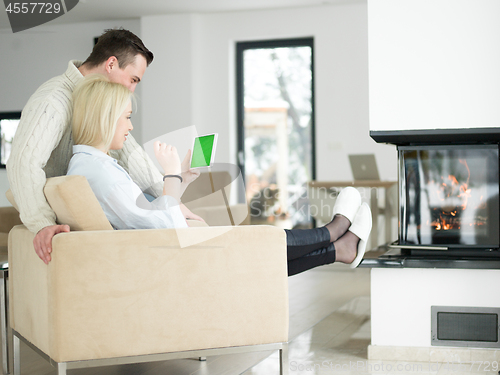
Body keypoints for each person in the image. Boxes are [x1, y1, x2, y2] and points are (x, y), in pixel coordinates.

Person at [67, 75, 373, 276]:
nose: (130, 126)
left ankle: (338, 248)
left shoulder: (94, 166)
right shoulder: (99, 173)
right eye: (127, 117)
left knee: (260, 249)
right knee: (262, 242)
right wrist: (171, 174)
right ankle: (334, 233)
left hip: (175, 246)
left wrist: (182, 178)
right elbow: (162, 224)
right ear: (105, 118)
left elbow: (152, 215)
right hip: (175, 254)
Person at [7, 28, 202, 265]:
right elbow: (23, 163)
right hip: (66, 229)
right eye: (133, 80)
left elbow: (131, 154)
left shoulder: (102, 110)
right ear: (111, 64)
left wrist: (172, 196)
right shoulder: (54, 100)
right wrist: (43, 224)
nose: (131, 89)